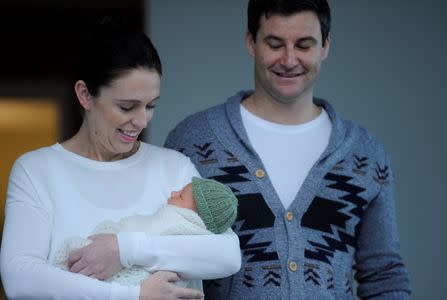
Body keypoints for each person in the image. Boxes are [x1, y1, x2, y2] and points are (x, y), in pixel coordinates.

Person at [165, 0, 411, 299]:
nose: (289, 59)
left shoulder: (365, 154)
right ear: (251, 43)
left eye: (304, 45)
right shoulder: (193, 139)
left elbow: (384, 275)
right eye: (275, 44)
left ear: (325, 47)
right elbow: (167, 254)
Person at [0, 20, 241, 300]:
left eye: (151, 106)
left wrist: (124, 250)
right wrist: (131, 295)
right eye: (127, 106)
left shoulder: (173, 168)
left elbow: (227, 255)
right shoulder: (37, 171)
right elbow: (20, 276)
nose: (141, 121)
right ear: (85, 95)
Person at [53, 177, 238, 291]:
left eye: (181, 195)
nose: (173, 193)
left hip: (139, 279)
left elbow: (154, 229)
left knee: (76, 246)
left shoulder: (181, 222)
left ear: (196, 216)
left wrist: (119, 242)